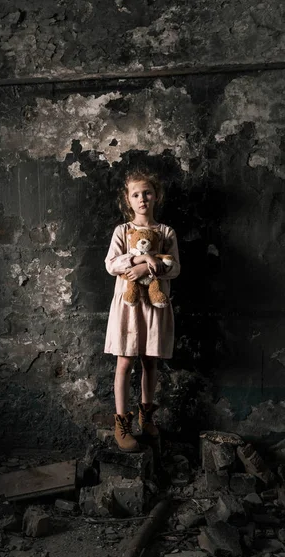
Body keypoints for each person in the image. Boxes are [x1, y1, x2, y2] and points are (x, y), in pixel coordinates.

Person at [104, 168, 180, 452]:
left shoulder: (166, 232)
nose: (142, 198)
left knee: (150, 362)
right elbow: (111, 264)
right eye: (135, 194)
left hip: (154, 307)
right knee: (124, 362)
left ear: (156, 195)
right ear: (128, 199)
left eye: (147, 192)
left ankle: (147, 418)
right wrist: (139, 259)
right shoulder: (122, 231)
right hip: (128, 307)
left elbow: (174, 268)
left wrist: (147, 264)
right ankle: (122, 424)